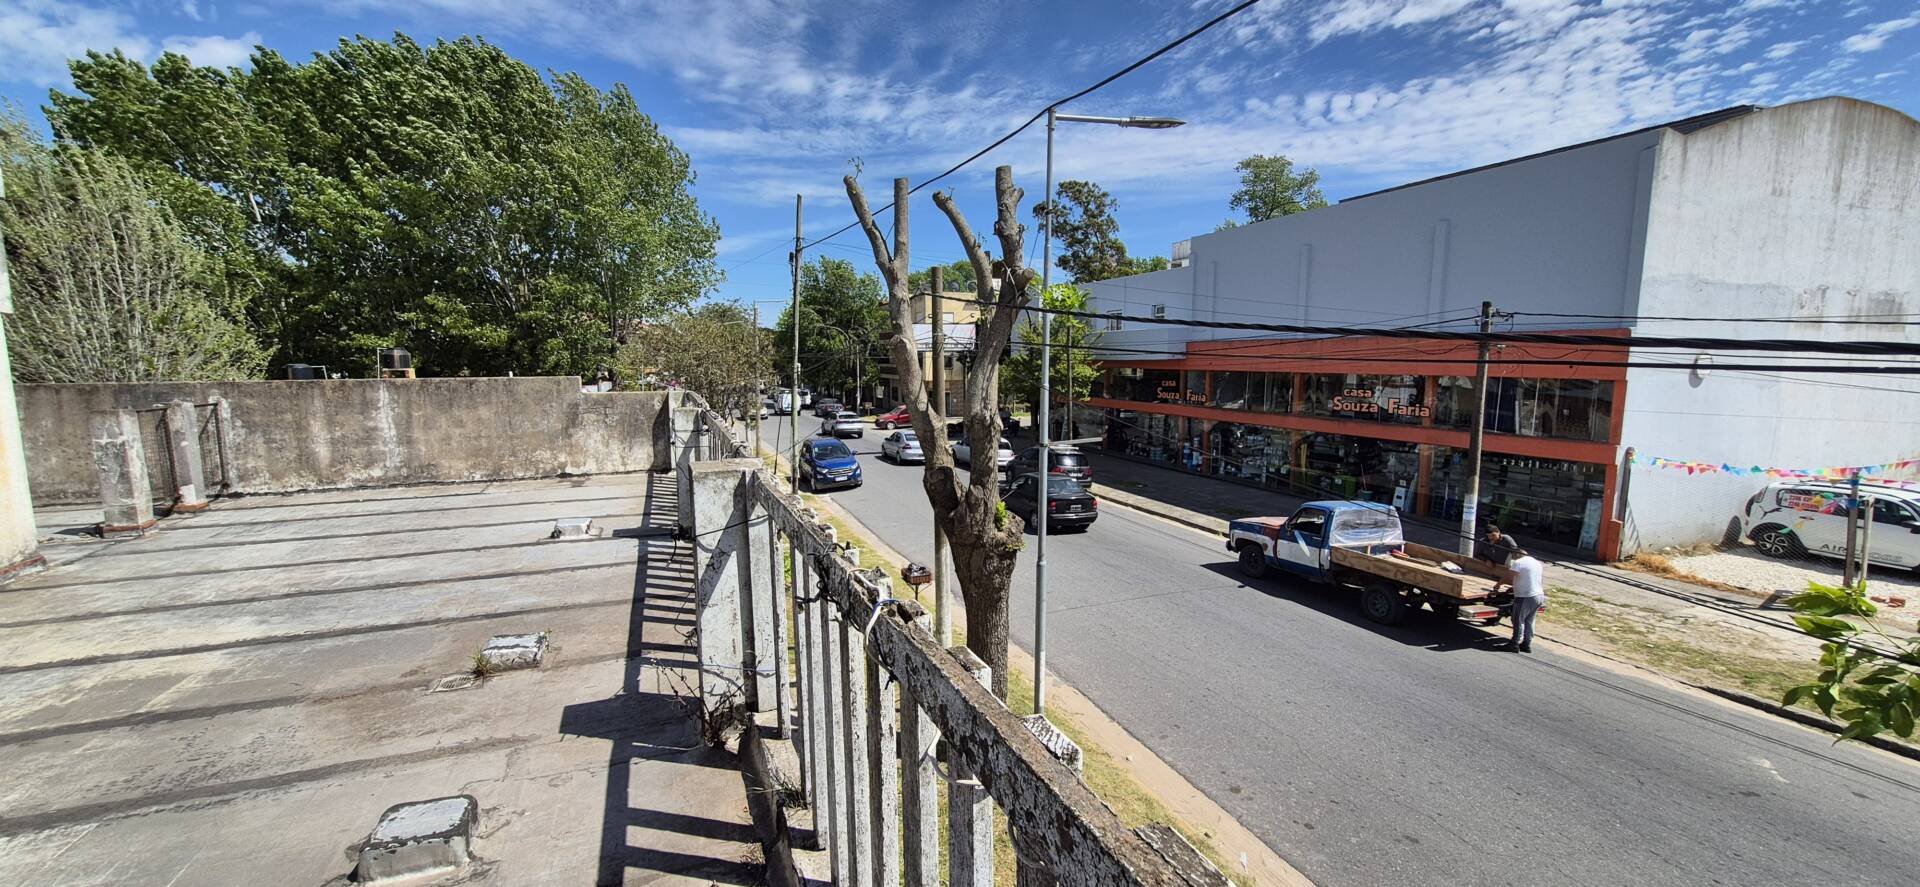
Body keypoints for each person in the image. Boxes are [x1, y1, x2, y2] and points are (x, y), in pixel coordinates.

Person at [1507, 548, 1546, 653]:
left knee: (1518, 620)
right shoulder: (1536, 562)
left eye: (1513, 556)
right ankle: (1527, 644)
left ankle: (1514, 644)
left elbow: (1509, 577)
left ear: (1516, 554)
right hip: (1539, 595)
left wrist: (1498, 585)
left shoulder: (1518, 562)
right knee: (1529, 620)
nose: (1512, 559)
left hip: (1525, 596)